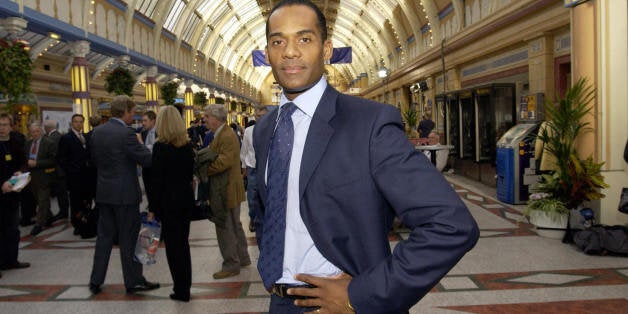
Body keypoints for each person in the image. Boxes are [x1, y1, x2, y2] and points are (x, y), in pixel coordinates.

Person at [253, 1, 479, 312]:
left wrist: (361, 294)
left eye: (304, 39)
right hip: (279, 302)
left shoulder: (369, 123)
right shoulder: (265, 130)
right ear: (267, 53)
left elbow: (451, 224)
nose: (290, 51)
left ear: (327, 49)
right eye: (278, 41)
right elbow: (271, 212)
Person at [88, 95, 159, 295]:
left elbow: (94, 160)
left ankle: (96, 280)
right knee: (128, 240)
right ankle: (134, 280)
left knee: (104, 238)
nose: (134, 115)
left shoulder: (97, 133)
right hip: (125, 195)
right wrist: (145, 146)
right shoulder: (126, 134)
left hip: (104, 193)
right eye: (132, 111)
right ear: (126, 112)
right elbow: (146, 159)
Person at [149, 106, 195, 302]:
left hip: (168, 204)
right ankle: (186, 285)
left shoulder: (160, 148)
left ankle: (180, 289)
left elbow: (156, 181)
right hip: (184, 202)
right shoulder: (187, 147)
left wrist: (153, 208)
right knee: (183, 245)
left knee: (173, 248)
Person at [204, 104, 251, 279]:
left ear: (216, 119)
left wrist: (204, 168)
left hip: (226, 189)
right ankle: (243, 257)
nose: (205, 119)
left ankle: (231, 264)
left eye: (207, 116)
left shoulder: (226, 135)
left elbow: (223, 162)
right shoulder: (223, 134)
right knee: (235, 225)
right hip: (229, 187)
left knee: (225, 227)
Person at [0, 113, 30, 275]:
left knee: (12, 228)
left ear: (10, 127)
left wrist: (20, 172)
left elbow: (24, 162)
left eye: (5, 125)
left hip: (12, 192)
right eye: (0, 125)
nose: (2, 129)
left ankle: (11, 260)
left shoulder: (15, 143)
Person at [57, 114, 92, 236]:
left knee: (87, 200)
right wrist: (69, 172)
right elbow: (61, 159)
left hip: (86, 177)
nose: (78, 124)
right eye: (76, 122)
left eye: (81, 122)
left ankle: (86, 221)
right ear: (72, 123)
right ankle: (77, 224)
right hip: (74, 177)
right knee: (76, 202)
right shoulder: (66, 138)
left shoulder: (86, 137)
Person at [25, 122, 57, 236]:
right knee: (39, 200)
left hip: (45, 177)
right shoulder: (28, 143)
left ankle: (39, 224)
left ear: (41, 131)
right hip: (31, 177)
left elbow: (53, 160)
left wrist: (37, 163)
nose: (35, 134)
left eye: (37, 131)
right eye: (32, 132)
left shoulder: (49, 143)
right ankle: (49, 217)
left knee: (42, 200)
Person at [240, 104, 268, 233]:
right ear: (255, 117)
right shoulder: (248, 131)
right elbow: (244, 151)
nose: (261, 118)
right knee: (252, 197)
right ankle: (253, 218)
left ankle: (265, 220)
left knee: (266, 196)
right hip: (252, 168)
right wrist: (244, 168)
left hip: (267, 169)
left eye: (263, 116)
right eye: (258, 116)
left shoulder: (272, 129)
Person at [44, 119, 69, 222]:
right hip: (61, 170)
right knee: (61, 192)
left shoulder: (52, 138)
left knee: (61, 192)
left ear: (47, 128)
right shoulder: (59, 135)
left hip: (58, 170)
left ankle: (63, 212)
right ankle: (63, 211)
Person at [140, 110, 157, 208]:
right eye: (143, 121)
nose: (143, 123)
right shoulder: (143, 133)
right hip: (146, 168)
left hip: (156, 168)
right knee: (148, 190)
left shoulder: (160, 133)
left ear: (153, 121)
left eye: (145, 121)